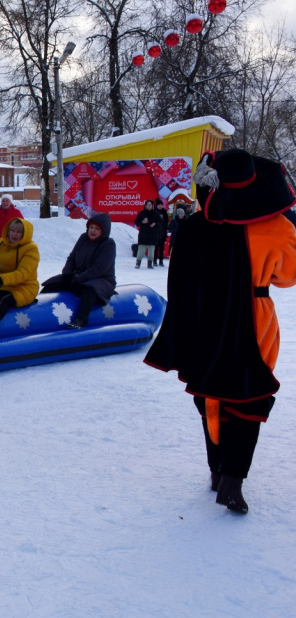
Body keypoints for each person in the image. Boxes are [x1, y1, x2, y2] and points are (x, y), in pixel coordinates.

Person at [145, 149, 296, 515]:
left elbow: (179, 280)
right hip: (255, 319)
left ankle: (216, 469)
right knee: (248, 395)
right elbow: (288, 277)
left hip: (204, 320)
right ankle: (232, 478)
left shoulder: (195, 226)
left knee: (212, 394)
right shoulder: (279, 227)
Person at [40, 212, 116, 329]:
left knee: (90, 289)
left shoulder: (109, 244)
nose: (93, 231)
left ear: (104, 230)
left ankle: (80, 320)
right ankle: (39, 312)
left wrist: (79, 279)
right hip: (78, 277)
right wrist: (67, 274)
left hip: (101, 280)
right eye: (91, 227)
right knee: (51, 284)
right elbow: (72, 258)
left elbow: (99, 268)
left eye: (97, 228)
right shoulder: (83, 238)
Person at [134, 199, 159, 268]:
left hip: (153, 235)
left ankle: (150, 264)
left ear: (152, 205)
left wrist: (155, 223)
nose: (149, 206)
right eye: (147, 205)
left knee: (151, 251)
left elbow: (160, 222)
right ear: (145, 205)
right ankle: (138, 263)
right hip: (143, 234)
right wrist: (142, 222)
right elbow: (136, 222)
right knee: (141, 250)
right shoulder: (142, 213)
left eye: (150, 205)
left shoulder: (155, 213)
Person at [153, 198, 169, 267]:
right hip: (156, 233)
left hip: (162, 233)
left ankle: (161, 261)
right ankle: (154, 261)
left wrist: (167, 228)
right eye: (159, 205)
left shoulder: (164, 212)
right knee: (155, 248)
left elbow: (167, 221)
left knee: (162, 248)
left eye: (161, 205)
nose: (160, 206)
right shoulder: (154, 212)